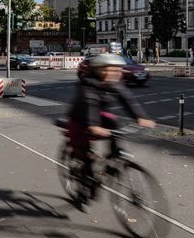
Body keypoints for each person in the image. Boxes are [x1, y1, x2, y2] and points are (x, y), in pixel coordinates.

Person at [66, 53, 155, 211]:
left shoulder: (115, 81)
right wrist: (94, 126)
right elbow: (90, 103)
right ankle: (82, 189)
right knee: (85, 154)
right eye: (110, 70)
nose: (115, 73)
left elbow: (127, 99)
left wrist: (140, 117)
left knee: (114, 123)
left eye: (118, 70)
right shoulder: (88, 84)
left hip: (100, 115)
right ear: (100, 70)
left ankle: (115, 153)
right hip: (80, 119)